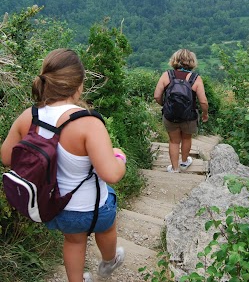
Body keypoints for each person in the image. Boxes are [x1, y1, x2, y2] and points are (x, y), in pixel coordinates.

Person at [1, 48, 126, 282]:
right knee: (107, 222)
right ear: (79, 86)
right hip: (91, 210)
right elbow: (110, 173)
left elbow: (7, 157)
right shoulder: (87, 122)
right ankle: (109, 262)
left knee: (74, 240)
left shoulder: (30, 115)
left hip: (52, 207)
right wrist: (120, 157)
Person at [154, 49, 209, 173]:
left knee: (173, 141)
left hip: (170, 116)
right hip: (189, 117)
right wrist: (205, 114)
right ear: (192, 62)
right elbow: (203, 101)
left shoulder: (167, 75)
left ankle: (174, 169)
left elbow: (157, 96)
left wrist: (165, 105)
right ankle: (184, 162)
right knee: (186, 138)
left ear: (174, 60)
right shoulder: (196, 78)